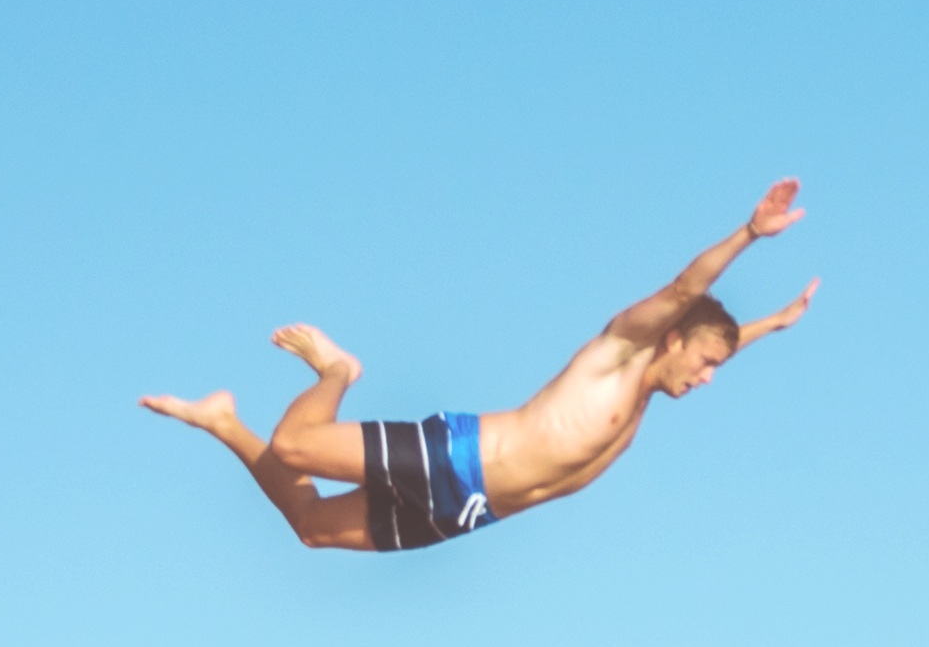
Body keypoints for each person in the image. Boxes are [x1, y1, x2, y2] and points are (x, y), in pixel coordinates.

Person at [140, 186, 812, 551]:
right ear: (670, 339)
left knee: (313, 529)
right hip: (454, 459)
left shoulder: (649, 388)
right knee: (293, 447)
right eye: (705, 362)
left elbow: (704, 334)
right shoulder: (618, 352)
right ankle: (337, 374)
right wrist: (748, 235)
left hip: (469, 510)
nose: (708, 378)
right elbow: (683, 293)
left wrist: (770, 326)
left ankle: (223, 420)